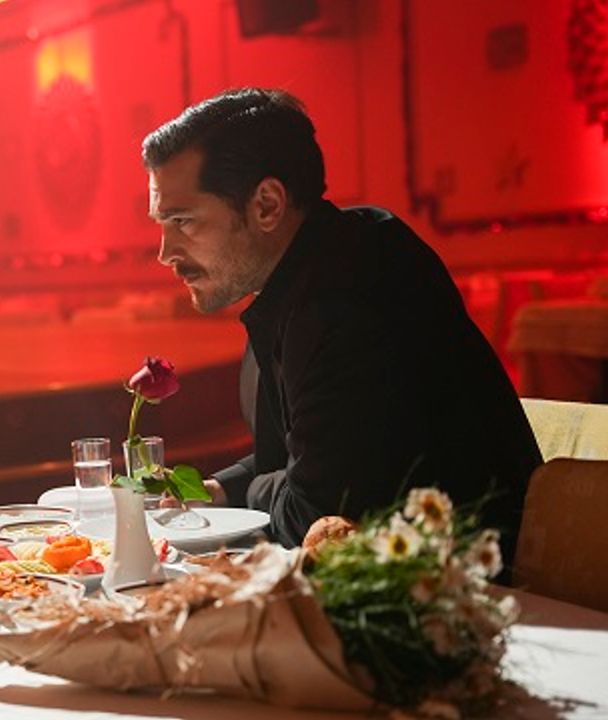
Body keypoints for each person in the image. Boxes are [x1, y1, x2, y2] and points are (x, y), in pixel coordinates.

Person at [142, 88, 540, 576]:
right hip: (386, 579)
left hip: (470, 594)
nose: (165, 252)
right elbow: (302, 455)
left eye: (183, 221)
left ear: (267, 205)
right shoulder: (305, 273)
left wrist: (258, 490)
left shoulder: (349, 299)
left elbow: (316, 514)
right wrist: (218, 489)